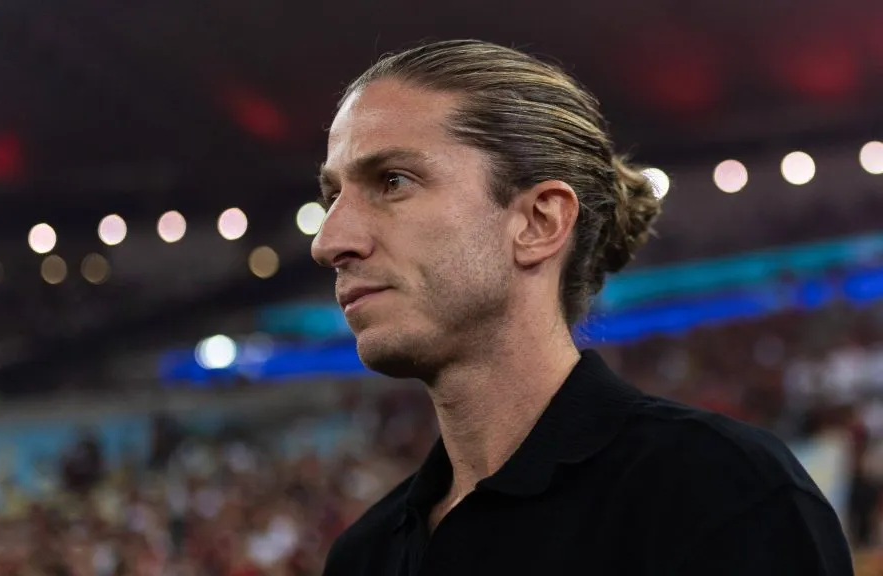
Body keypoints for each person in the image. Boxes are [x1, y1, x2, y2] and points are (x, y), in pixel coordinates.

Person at [311, 39, 853, 575]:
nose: (328, 241)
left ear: (539, 223)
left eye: (393, 181)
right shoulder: (363, 556)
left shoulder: (723, 492)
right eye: (330, 196)